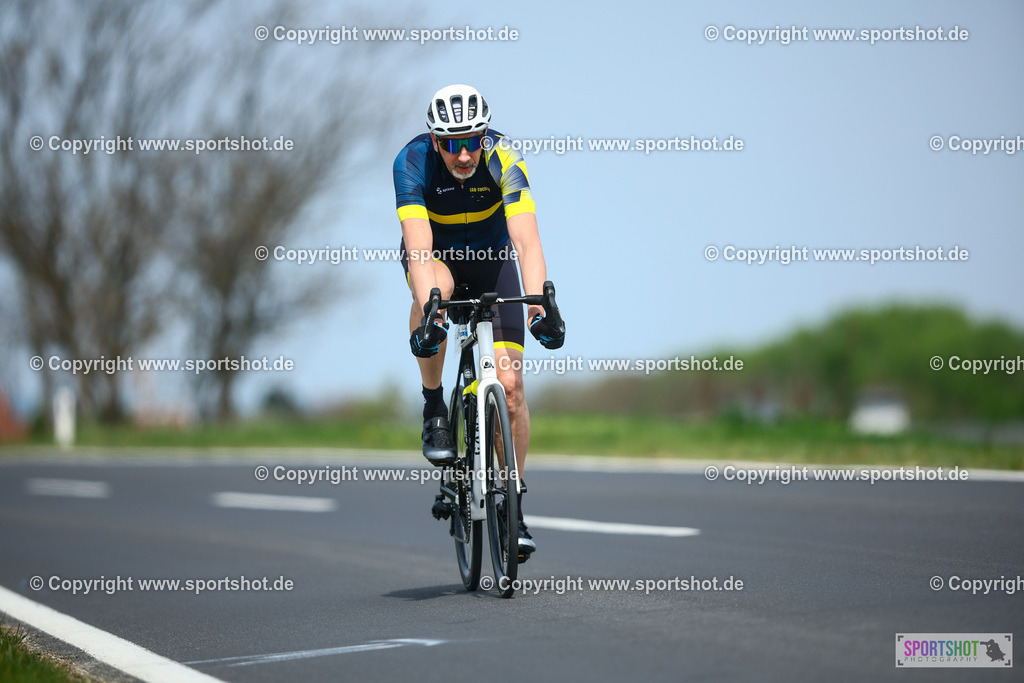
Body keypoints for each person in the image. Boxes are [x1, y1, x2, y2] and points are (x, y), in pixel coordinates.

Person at [393, 84, 564, 559]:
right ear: (434, 142)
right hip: (440, 261)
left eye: (472, 140)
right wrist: (430, 307)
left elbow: (527, 242)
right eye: (452, 144)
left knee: (510, 388)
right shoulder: (410, 162)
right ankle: (433, 409)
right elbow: (420, 247)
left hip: (494, 262)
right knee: (436, 294)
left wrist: (540, 307)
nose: (464, 154)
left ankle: (514, 503)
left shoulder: (503, 157)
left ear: (484, 135)